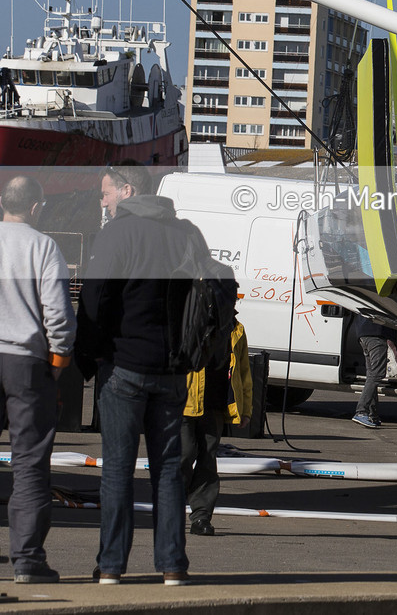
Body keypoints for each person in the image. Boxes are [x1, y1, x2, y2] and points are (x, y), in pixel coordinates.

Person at [77, 161, 210, 586]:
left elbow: (94, 299)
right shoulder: (186, 232)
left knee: (117, 469)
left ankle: (112, 567)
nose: (103, 200)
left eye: (106, 193)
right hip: (172, 370)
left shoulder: (118, 232)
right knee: (169, 470)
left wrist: (90, 356)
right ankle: (172, 565)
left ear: (128, 192)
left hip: (124, 368)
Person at [0, 175, 75, 584]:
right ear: (35, 208)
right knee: (29, 464)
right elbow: (59, 315)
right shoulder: (44, 247)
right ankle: (27, 561)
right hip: (26, 363)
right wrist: (58, 362)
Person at [181, 318, 250, 537]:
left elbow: (244, 372)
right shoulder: (184, 318)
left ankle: (201, 515)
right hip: (181, 402)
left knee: (207, 459)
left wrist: (246, 408)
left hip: (215, 404)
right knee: (183, 454)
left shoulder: (236, 329)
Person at [350, 313, 390, 429]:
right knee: (377, 374)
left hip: (363, 334)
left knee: (371, 375)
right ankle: (361, 411)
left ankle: (373, 415)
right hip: (376, 334)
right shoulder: (386, 296)